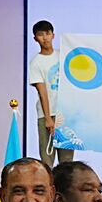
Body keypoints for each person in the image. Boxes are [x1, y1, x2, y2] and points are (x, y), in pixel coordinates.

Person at [28, 19, 72, 168]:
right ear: (35, 38)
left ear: (53, 35)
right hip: (47, 114)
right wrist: (48, 118)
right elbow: (42, 92)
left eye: (47, 33)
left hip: (65, 113)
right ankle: (48, 190)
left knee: (67, 160)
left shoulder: (64, 56)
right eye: (41, 35)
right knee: (47, 158)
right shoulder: (36, 62)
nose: (45, 37)